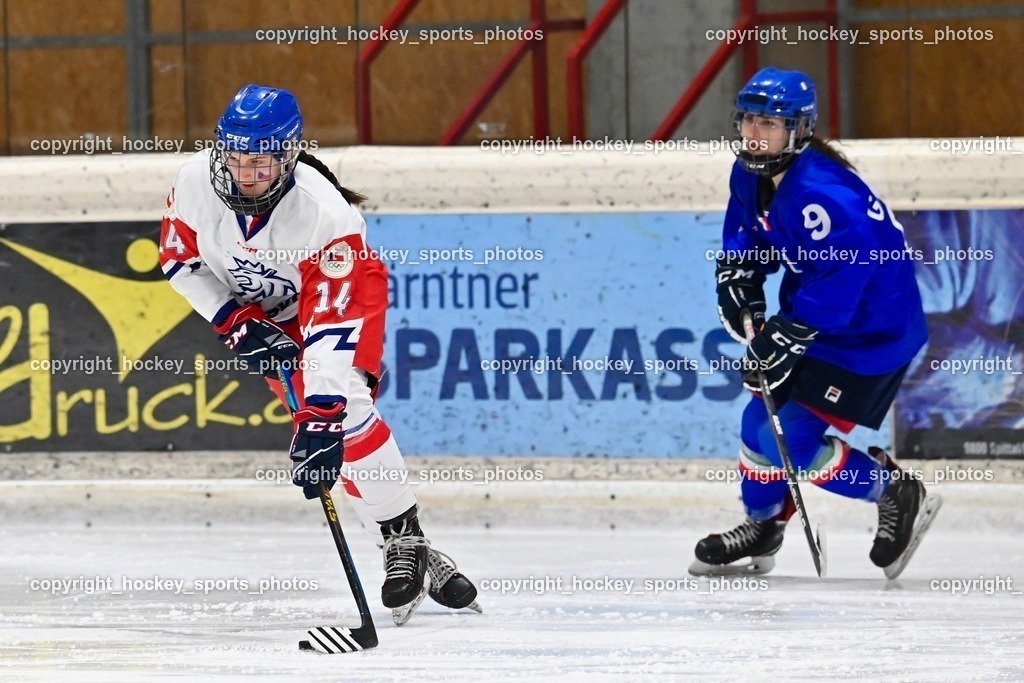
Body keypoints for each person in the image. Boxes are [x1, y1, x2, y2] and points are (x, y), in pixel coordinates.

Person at [159, 84, 478, 622]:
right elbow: (178, 261)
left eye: (259, 162)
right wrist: (233, 321)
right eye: (234, 159)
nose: (244, 174)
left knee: (339, 411)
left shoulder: (327, 217)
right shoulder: (194, 182)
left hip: (343, 301)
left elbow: (329, 331)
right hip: (264, 312)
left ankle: (403, 540)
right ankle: (405, 548)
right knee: (333, 440)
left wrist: (321, 414)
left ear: (287, 154)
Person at [691, 68, 941, 578]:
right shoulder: (750, 173)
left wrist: (789, 332)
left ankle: (895, 491)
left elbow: (847, 275)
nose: (754, 134)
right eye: (748, 120)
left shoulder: (826, 196)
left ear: (799, 129)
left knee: (791, 440)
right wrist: (740, 275)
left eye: (770, 122)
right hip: (821, 321)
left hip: (870, 337)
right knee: (757, 427)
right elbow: (749, 235)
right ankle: (763, 527)